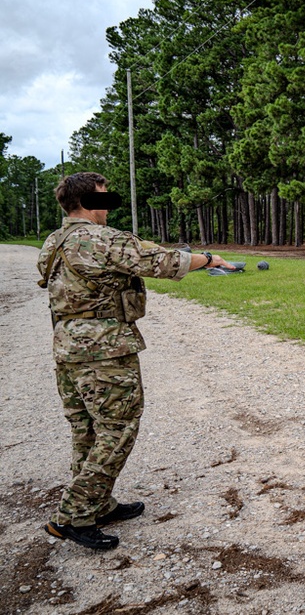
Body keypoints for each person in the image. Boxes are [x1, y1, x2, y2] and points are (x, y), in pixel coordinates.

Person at [37, 172, 234, 550]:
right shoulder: (99, 238)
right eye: (104, 198)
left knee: (88, 429)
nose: (108, 205)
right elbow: (157, 262)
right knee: (119, 428)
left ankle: (97, 504)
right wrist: (209, 258)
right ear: (87, 202)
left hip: (68, 347)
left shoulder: (55, 240)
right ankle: (72, 514)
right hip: (104, 350)